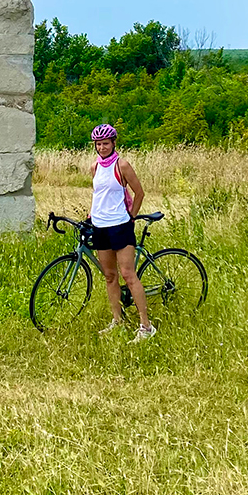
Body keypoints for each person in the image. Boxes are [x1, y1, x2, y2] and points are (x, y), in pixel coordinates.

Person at [88, 124, 155, 340]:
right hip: (100, 226)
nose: (102, 147)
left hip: (120, 225)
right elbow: (99, 195)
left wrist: (131, 217)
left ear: (114, 143)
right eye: (99, 144)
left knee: (128, 275)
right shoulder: (95, 167)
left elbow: (139, 193)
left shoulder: (122, 165)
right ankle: (117, 321)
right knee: (109, 276)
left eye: (106, 143)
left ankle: (146, 326)